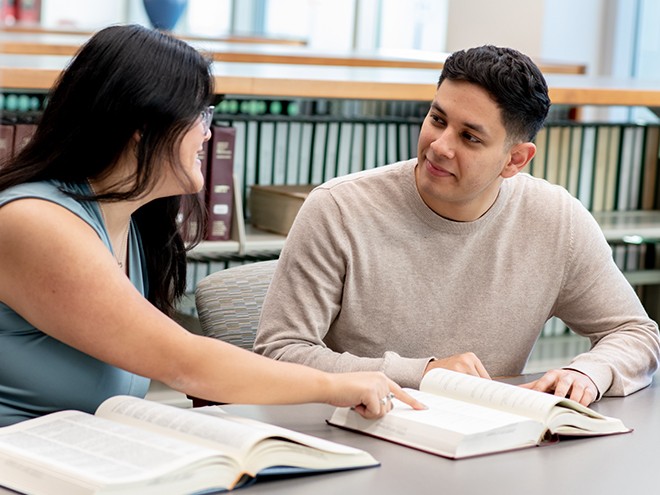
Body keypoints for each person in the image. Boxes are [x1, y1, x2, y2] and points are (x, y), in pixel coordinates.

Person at [0, 24, 424, 427]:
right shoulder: (36, 222)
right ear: (141, 127)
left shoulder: (127, 221)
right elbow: (185, 363)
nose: (207, 133)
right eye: (198, 114)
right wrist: (334, 385)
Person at [253, 45, 660, 407]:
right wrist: (424, 374)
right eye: (437, 119)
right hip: (361, 436)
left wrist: (589, 372)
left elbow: (635, 332)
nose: (440, 146)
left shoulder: (556, 220)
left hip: (483, 448)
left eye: (469, 137)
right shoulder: (338, 209)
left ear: (515, 160)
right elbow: (279, 352)